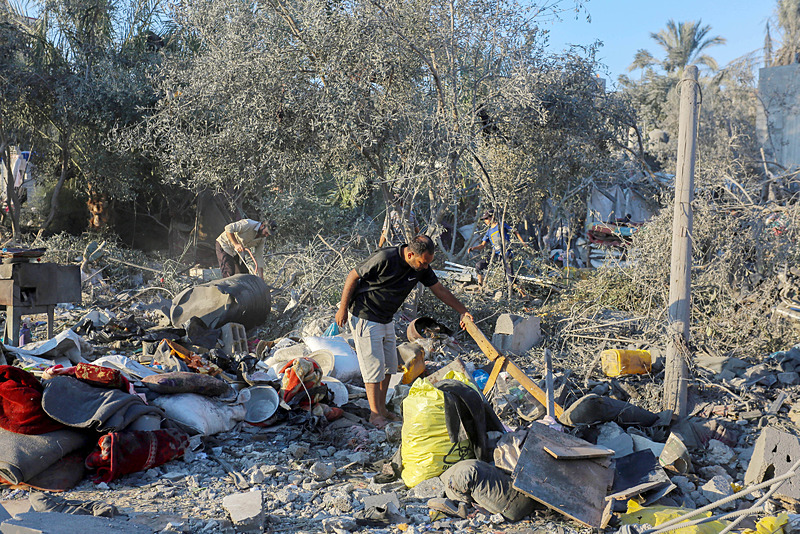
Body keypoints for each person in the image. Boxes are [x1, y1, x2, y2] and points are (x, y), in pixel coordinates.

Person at [335, 235, 473, 428]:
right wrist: (342, 308)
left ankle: (382, 410)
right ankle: (375, 415)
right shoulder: (385, 258)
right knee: (373, 367)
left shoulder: (421, 267)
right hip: (365, 314)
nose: (425, 267)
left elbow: (439, 290)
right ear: (410, 254)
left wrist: (463, 311)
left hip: (386, 317)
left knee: (390, 366)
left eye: (427, 263)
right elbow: (353, 275)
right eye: (422, 263)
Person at [467, 210, 527, 287]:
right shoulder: (489, 232)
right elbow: (482, 245)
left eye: (486, 218)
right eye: (484, 219)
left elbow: (515, 232)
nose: (485, 221)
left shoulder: (501, 225)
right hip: (496, 255)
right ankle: (480, 287)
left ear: (492, 217)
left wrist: (523, 242)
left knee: (510, 277)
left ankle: (523, 294)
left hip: (506, 254)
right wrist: (473, 248)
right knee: (479, 265)